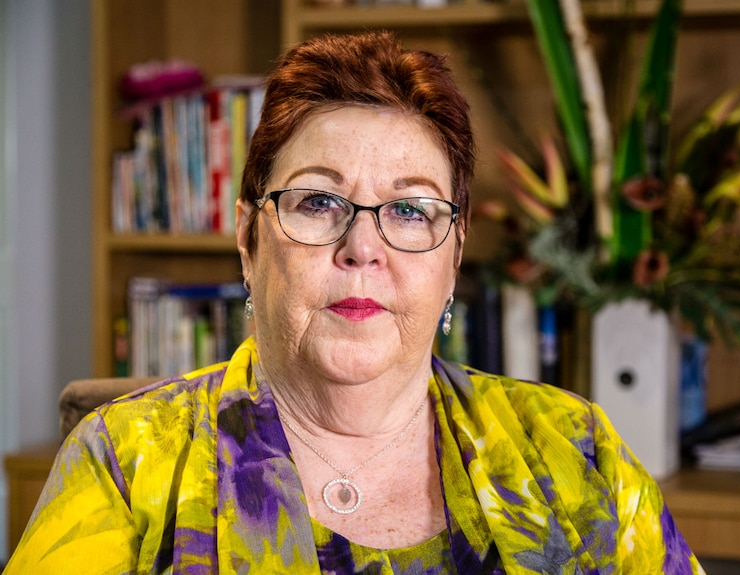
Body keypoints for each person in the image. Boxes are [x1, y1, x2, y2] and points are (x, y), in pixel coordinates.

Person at [6, 31, 704, 574]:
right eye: (318, 200)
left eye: (408, 209)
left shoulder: (576, 453)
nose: (362, 246)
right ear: (249, 238)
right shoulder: (126, 466)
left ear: (454, 254)